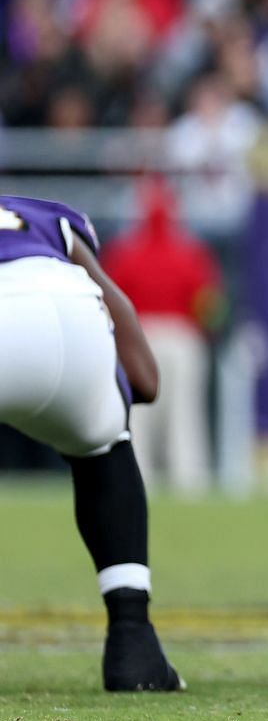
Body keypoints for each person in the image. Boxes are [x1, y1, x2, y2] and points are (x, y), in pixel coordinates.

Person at [0, 194, 182, 691]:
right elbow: (144, 378)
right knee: (105, 445)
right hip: (70, 313)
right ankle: (132, 639)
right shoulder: (43, 216)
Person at [99, 177, 222, 495]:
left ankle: (139, 480)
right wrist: (209, 329)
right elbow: (208, 304)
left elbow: (108, 302)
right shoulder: (191, 253)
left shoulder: (124, 253)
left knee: (137, 416)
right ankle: (189, 481)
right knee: (185, 413)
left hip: (140, 337)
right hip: (182, 337)